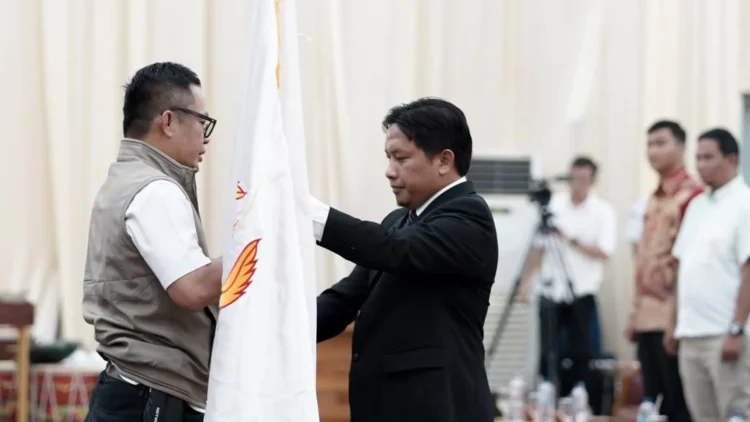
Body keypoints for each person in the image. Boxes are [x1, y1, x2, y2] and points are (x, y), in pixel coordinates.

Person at [311, 97, 499, 422]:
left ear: (444, 160)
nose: (389, 171)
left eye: (401, 158)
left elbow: (393, 249)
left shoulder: (470, 217)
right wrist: (269, 327)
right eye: (388, 157)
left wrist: (309, 214)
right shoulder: (397, 221)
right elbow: (344, 300)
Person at [82, 62, 221, 422]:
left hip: (135, 390)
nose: (205, 137)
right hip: (149, 397)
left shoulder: (126, 180)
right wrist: (256, 243)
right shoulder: (155, 190)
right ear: (169, 121)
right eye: (202, 121)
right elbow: (192, 289)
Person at [667, 128, 750, 422]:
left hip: (724, 334)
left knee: (735, 413)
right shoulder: (697, 206)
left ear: (732, 160)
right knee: (702, 416)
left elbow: (748, 270)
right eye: (698, 158)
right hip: (691, 333)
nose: (700, 165)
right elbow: (684, 268)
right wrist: (673, 324)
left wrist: (736, 329)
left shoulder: (744, 203)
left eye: (708, 158)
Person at [518, 156, 617, 397]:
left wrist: (570, 239)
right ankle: (547, 394)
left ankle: (578, 396)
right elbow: (539, 248)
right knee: (548, 350)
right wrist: (526, 281)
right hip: (550, 290)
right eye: (574, 178)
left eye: (583, 178)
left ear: (592, 181)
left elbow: (604, 252)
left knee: (581, 350)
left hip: (582, 290)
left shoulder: (602, 211)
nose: (577, 183)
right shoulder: (554, 206)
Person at [626, 120, 700, 422]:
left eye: (661, 143)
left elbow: (688, 264)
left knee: (679, 403)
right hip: (647, 316)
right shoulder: (653, 199)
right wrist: (634, 314)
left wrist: (675, 322)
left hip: (673, 316)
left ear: (681, 147)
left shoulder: (692, 197)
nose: (653, 151)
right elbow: (643, 259)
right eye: (650, 144)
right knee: (654, 405)